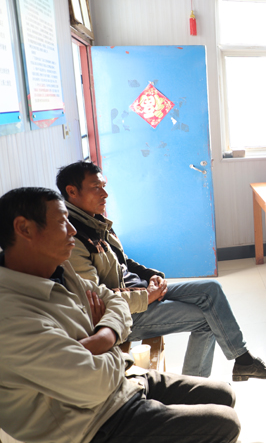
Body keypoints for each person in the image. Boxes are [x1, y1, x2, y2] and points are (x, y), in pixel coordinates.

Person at [0, 187, 240, 443]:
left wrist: (102, 336)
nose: (72, 230)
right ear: (24, 228)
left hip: (122, 381)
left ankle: (242, 357)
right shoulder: (12, 320)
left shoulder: (59, 268)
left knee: (224, 394)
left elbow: (113, 300)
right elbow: (95, 385)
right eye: (62, 222)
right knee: (225, 424)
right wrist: (112, 339)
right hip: (93, 424)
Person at [55, 161, 266, 382]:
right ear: (72, 191)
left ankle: (243, 361)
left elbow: (123, 262)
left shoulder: (96, 222)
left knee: (211, 289)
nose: (105, 194)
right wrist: (147, 296)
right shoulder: (73, 238)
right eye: (96, 188)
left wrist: (150, 276)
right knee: (208, 319)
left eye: (104, 186)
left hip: (140, 292)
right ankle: (195, 386)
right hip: (124, 314)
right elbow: (97, 297)